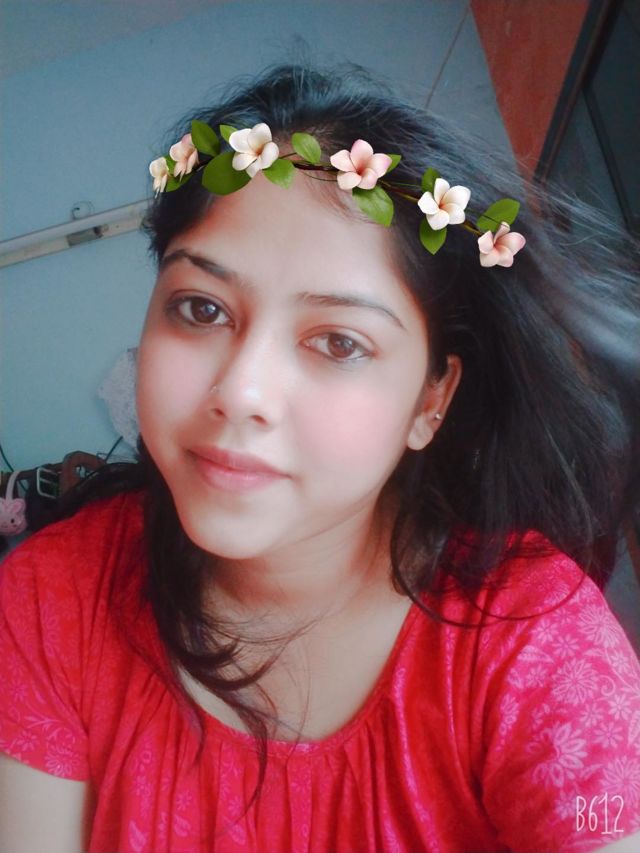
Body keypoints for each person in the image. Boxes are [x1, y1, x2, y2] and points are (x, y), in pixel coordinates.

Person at [1, 60, 640, 853]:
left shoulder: (533, 642)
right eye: (200, 308)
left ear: (431, 400)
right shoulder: (55, 595)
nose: (241, 391)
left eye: (339, 342)